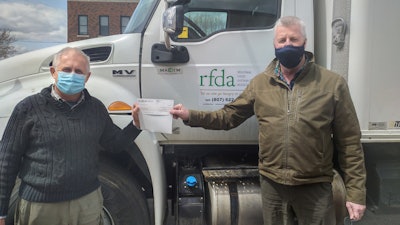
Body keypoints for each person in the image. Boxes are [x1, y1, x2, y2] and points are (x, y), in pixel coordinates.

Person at [134, 16, 367, 225]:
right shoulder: (260, 84)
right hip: (273, 186)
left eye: (293, 39)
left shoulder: (332, 84)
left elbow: (349, 143)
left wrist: (356, 194)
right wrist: (190, 115)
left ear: (304, 43)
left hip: (315, 186)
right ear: (274, 45)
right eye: (282, 40)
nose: (287, 44)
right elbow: (228, 117)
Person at [0, 47, 141, 225]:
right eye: (67, 70)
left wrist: (136, 125)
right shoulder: (28, 108)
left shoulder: (96, 109)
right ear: (53, 72)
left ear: (87, 77)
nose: (72, 75)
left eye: (79, 71)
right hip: (41, 208)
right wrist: (1, 212)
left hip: (87, 205)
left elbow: (114, 144)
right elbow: (6, 161)